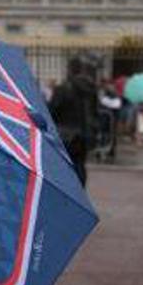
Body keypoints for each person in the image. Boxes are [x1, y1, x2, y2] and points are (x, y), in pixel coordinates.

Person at [48, 56, 98, 187]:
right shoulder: (91, 88)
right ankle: (81, 192)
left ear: (69, 70)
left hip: (66, 134)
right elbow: (96, 111)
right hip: (85, 133)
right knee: (80, 164)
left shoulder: (63, 88)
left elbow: (52, 111)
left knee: (64, 166)